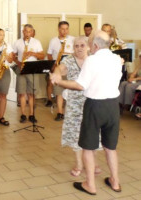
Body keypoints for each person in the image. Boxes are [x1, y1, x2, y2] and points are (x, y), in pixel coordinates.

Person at [51, 31, 122, 195]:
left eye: (89, 44)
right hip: (113, 106)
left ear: (95, 46)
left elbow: (80, 85)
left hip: (95, 106)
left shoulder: (91, 60)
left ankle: (90, 184)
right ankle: (115, 182)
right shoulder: (117, 59)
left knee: (88, 147)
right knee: (110, 147)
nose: (87, 47)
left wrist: (59, 81)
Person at [53, 36, 101, 177]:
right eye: (76, 46)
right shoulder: (68, 60)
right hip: (75, 103)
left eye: (82, 45)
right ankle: (79, 164)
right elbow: (59, 68)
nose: (79, 48)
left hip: (92, 101)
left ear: (87, 46)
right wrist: (56, 75)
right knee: (75, 134)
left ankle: (94, 162)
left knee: (92, 132)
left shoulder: (93, 59)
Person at [13, 24, 44, 123]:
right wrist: (18, 63)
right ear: (23, 32)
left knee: (32, 94)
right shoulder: (17, 42)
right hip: (22, 69)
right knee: (22, 93)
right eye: (26, 31)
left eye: (30, 31)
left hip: (32, 69)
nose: (28, 33)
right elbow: (13, 55)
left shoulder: (36, 42)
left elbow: (42, 56)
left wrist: (32, 53)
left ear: (32, 32)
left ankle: (31, 114)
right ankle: (22, 114)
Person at [47, 21, 75, 121]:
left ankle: (71, 113)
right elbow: (49, 54)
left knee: (71, 92)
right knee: (59, 92)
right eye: (63, 29)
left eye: (67, 28)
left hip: (70, 70)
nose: (65, 31)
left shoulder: (73, 40)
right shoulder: (53, 41)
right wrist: (53, 65)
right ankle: (60, 113)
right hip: (58, 70)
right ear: (58, 29)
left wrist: (66, 53)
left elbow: (76, 53)